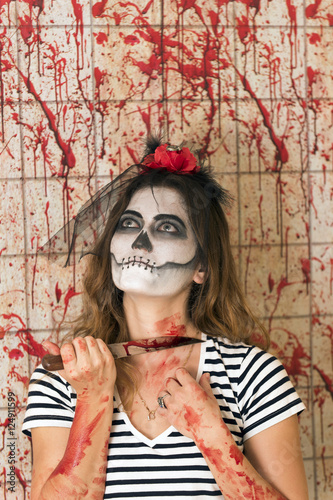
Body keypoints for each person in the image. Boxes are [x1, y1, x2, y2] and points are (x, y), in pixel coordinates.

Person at [22, 137, 309, 499]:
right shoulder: (66, 376)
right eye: (129, 224)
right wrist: (92, 400)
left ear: (202, 266)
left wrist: (213, 437)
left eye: (167, 227)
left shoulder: (253, 375)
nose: (139, 242)